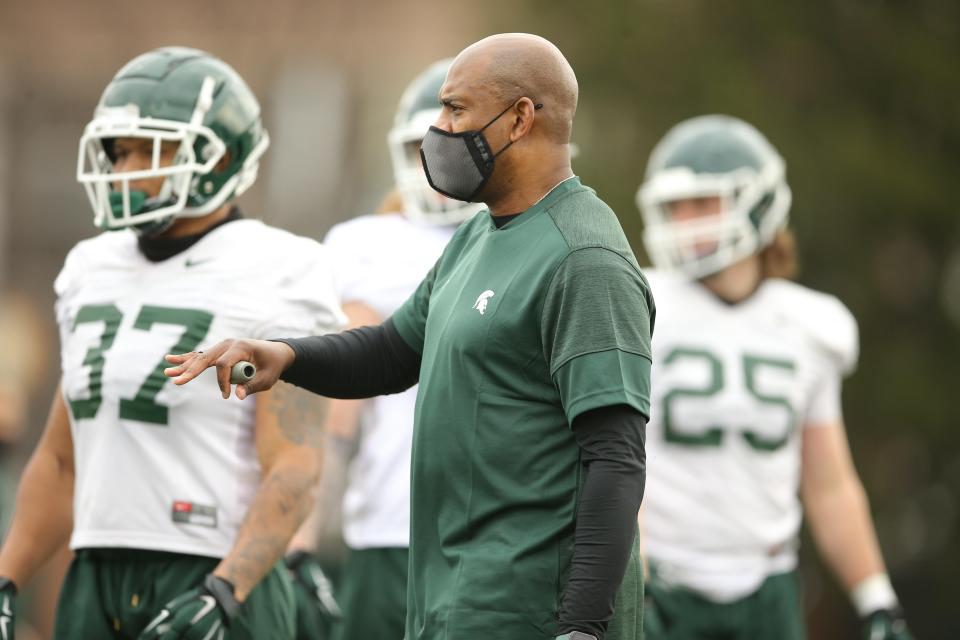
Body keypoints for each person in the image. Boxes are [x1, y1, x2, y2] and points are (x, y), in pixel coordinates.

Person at [165, 33, 655, 640]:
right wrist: (283, 355)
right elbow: (393, 352)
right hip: (451, 596)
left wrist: (583, 627)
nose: (440, 131)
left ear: (521, 119)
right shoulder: (480, 236)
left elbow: (616, 458)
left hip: (528, 609)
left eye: (455, 110)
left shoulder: (585, 256)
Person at [0, 46, 345, 640]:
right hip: (96, 573)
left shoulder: (279, 267)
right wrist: (7, 579)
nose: (125, 167)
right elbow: (61, 460)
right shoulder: (90, 266)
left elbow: (294, 465)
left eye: (148, 149)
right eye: (119, 150)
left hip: (216, 575)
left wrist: (227, 588)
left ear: (217, 157)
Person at [635, 114, 913, 640]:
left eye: (702, 202)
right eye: (675, 207)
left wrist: (877, 600)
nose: (686, 221)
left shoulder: (810, 326)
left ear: (759, 203)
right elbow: (617, 468)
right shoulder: (639, 305)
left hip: (769, 592)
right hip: (663, 585)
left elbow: (829, 484)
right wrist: (631, 582)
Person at [284, 58, 485, 640]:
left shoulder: (530, 237)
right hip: (390, 531)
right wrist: (298, 537)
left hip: (501, 535)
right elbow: (333, 417)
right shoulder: (363, 247)